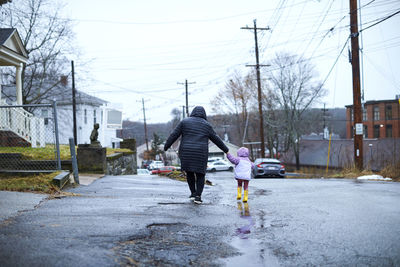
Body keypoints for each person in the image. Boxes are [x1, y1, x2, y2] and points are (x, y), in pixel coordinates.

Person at [164, 106, 228, 204]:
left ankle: (193, 193)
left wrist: (166, 146)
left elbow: (174, 134)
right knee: (200, 174)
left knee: (189, 173)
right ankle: (198, 196)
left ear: (193, 112)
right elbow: (216, 139)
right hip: (200, 153)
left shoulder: (184, 122)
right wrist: (226, 150)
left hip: (186, 152)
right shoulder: (207, 125)